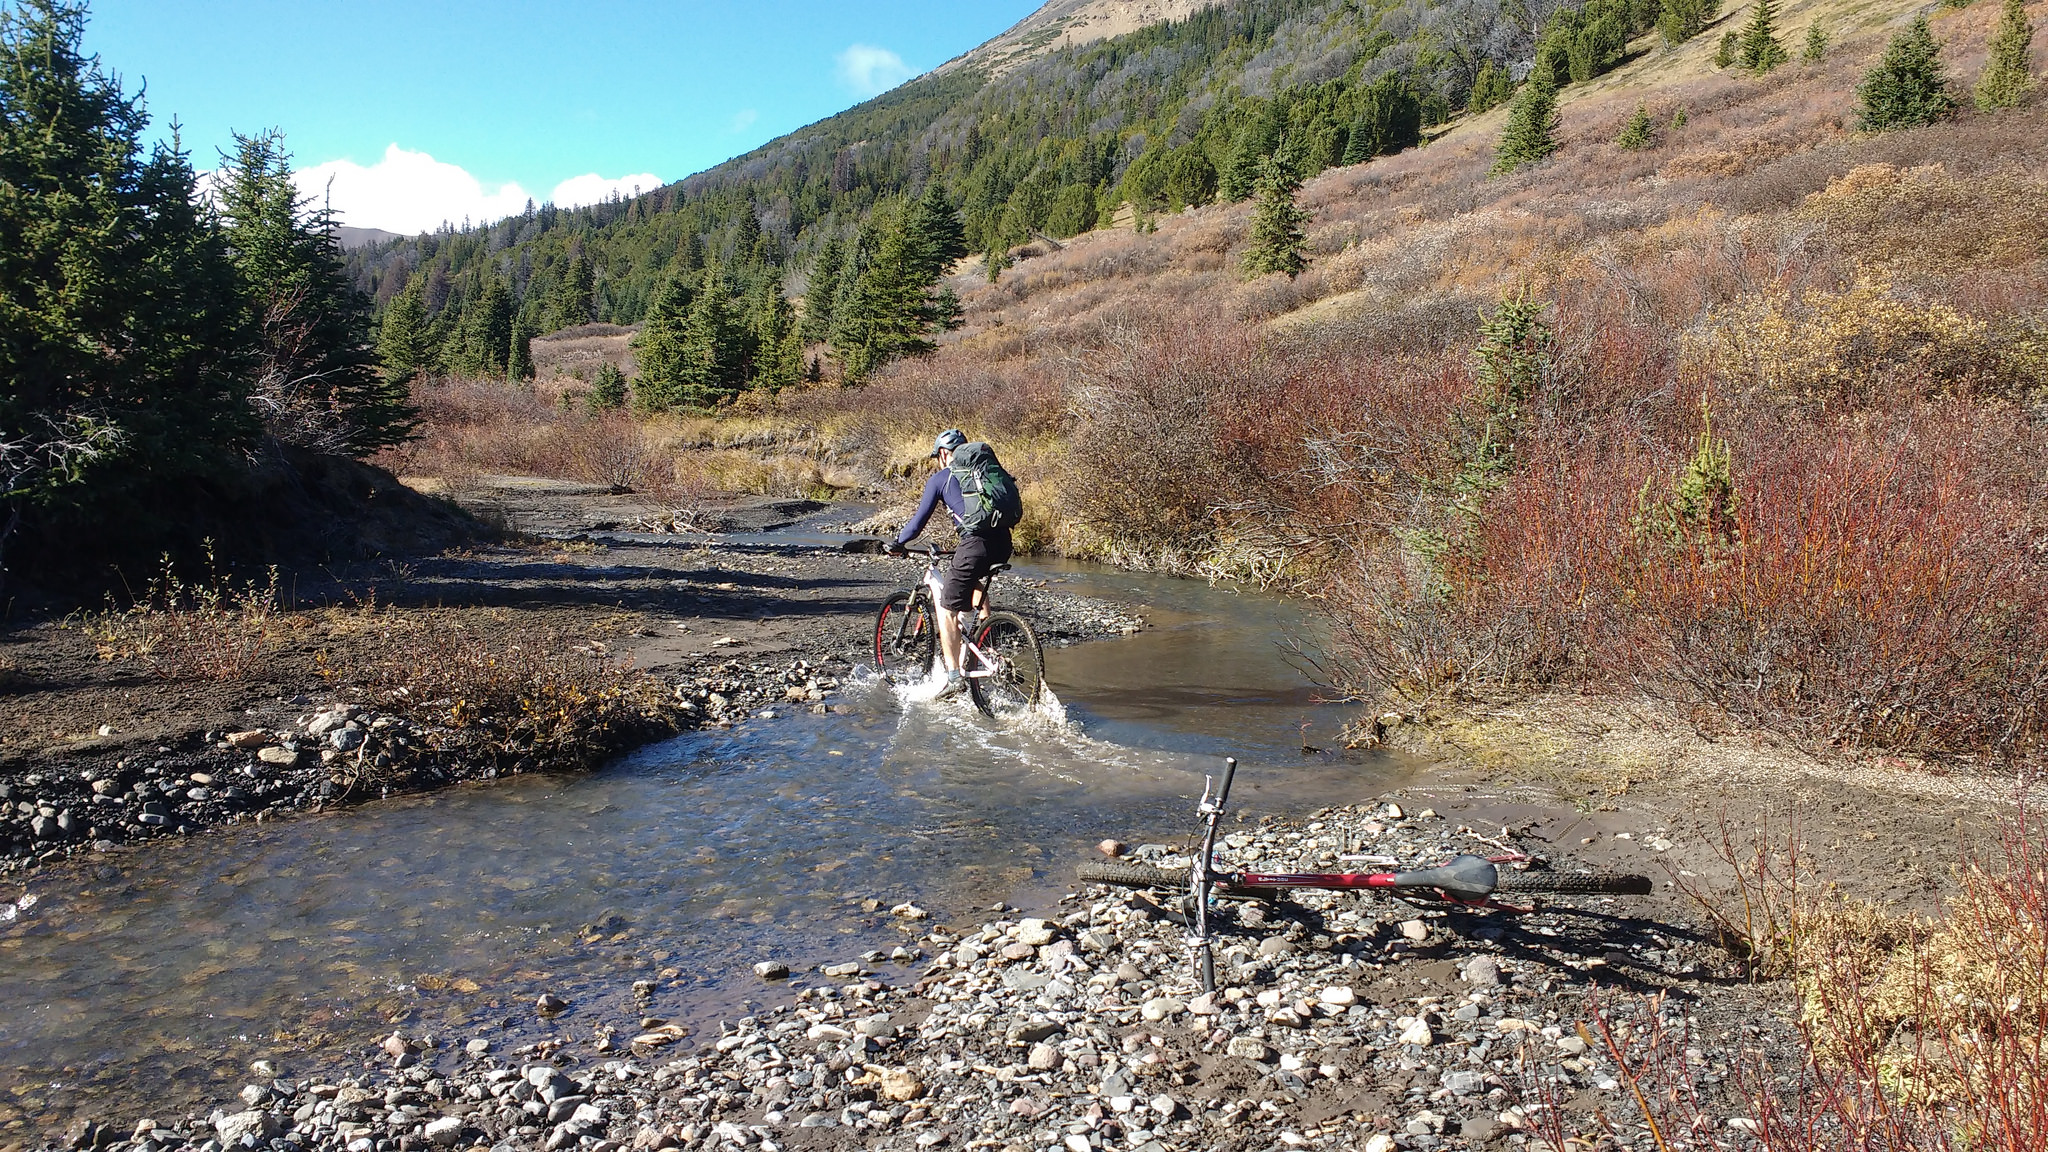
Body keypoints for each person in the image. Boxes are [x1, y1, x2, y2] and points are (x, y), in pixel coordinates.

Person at [887, 428, 1014, 698]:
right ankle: (987, 639)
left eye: (938, 456)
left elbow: (917, 523)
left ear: (944, 454)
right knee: (973, 578)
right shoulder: (981, 474)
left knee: (946, 606)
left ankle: (954, 676)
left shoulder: (941, 479)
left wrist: (898, 542)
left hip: (974, 544)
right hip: (1003, 543)